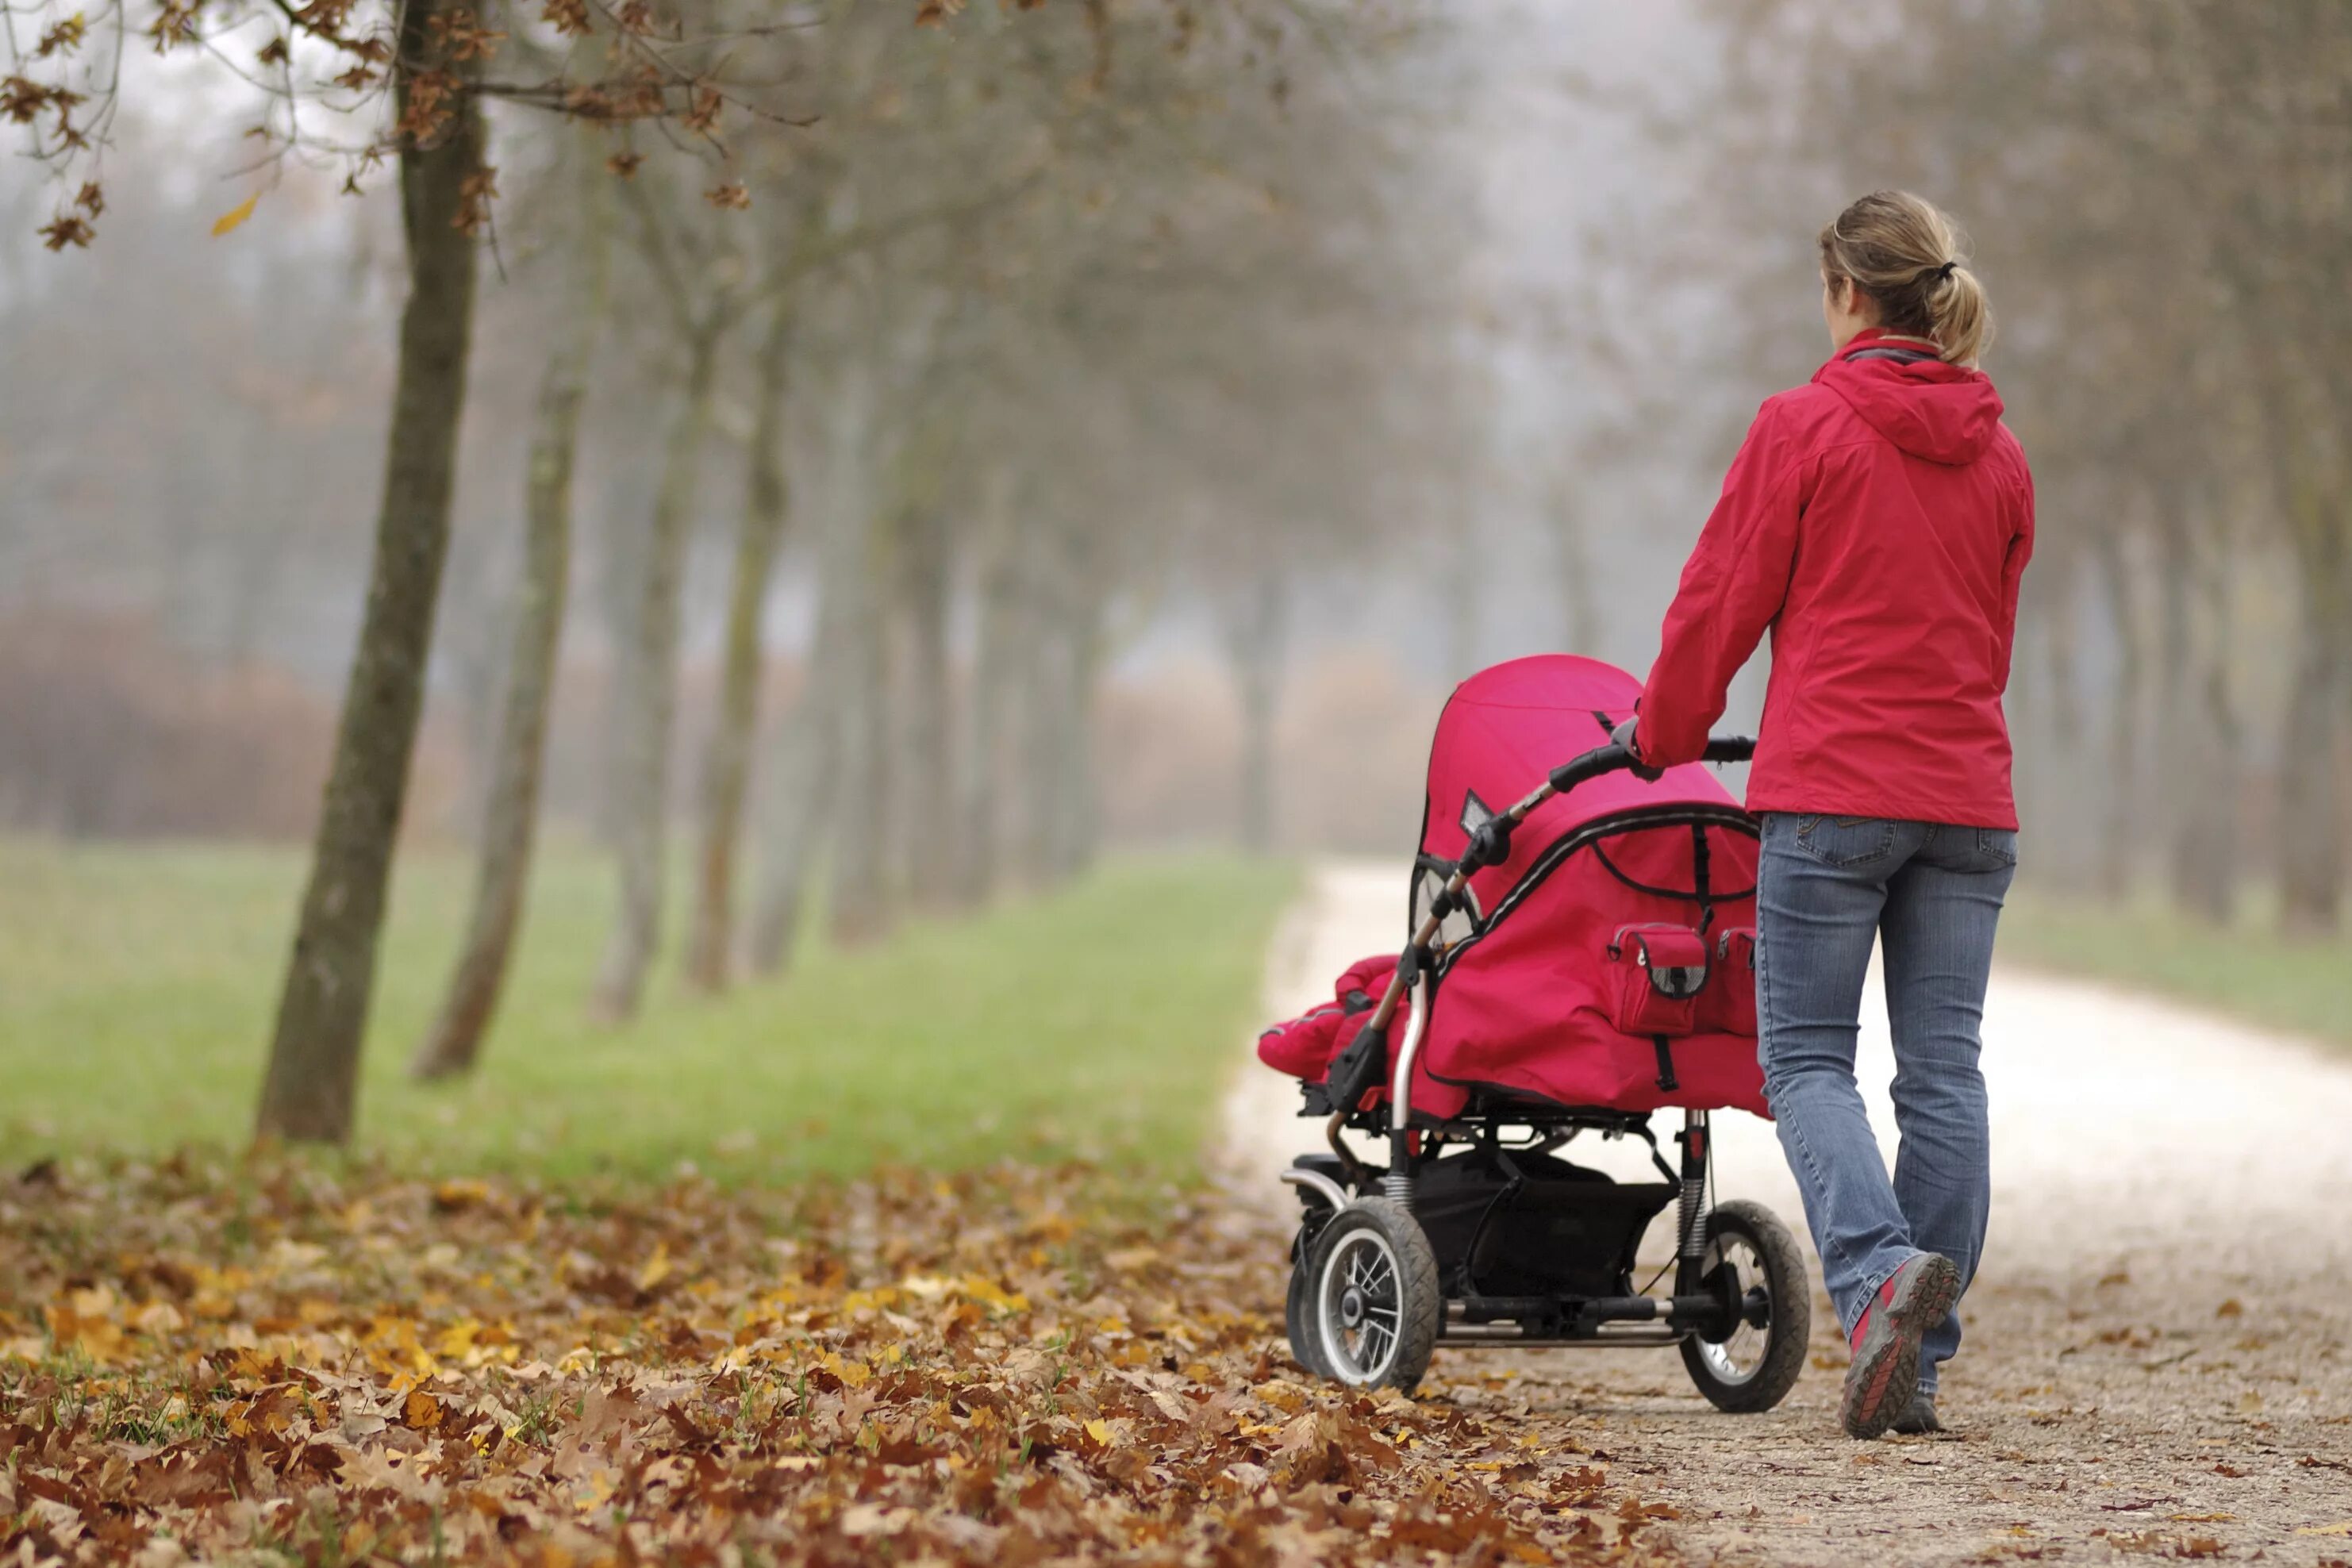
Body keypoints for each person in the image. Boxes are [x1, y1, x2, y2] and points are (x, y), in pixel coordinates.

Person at [1614, 190, 2034, 1439]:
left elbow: (1719, 600)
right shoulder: (2003, 453)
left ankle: (1873, 1291)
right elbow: (1990, 644)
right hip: (1966, 799)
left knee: (1803, 1059)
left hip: (1832, 794)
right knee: (1945, 1073)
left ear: (1847, 293)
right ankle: (1921, 1361)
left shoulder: (1802, 427)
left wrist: (1663, 736)